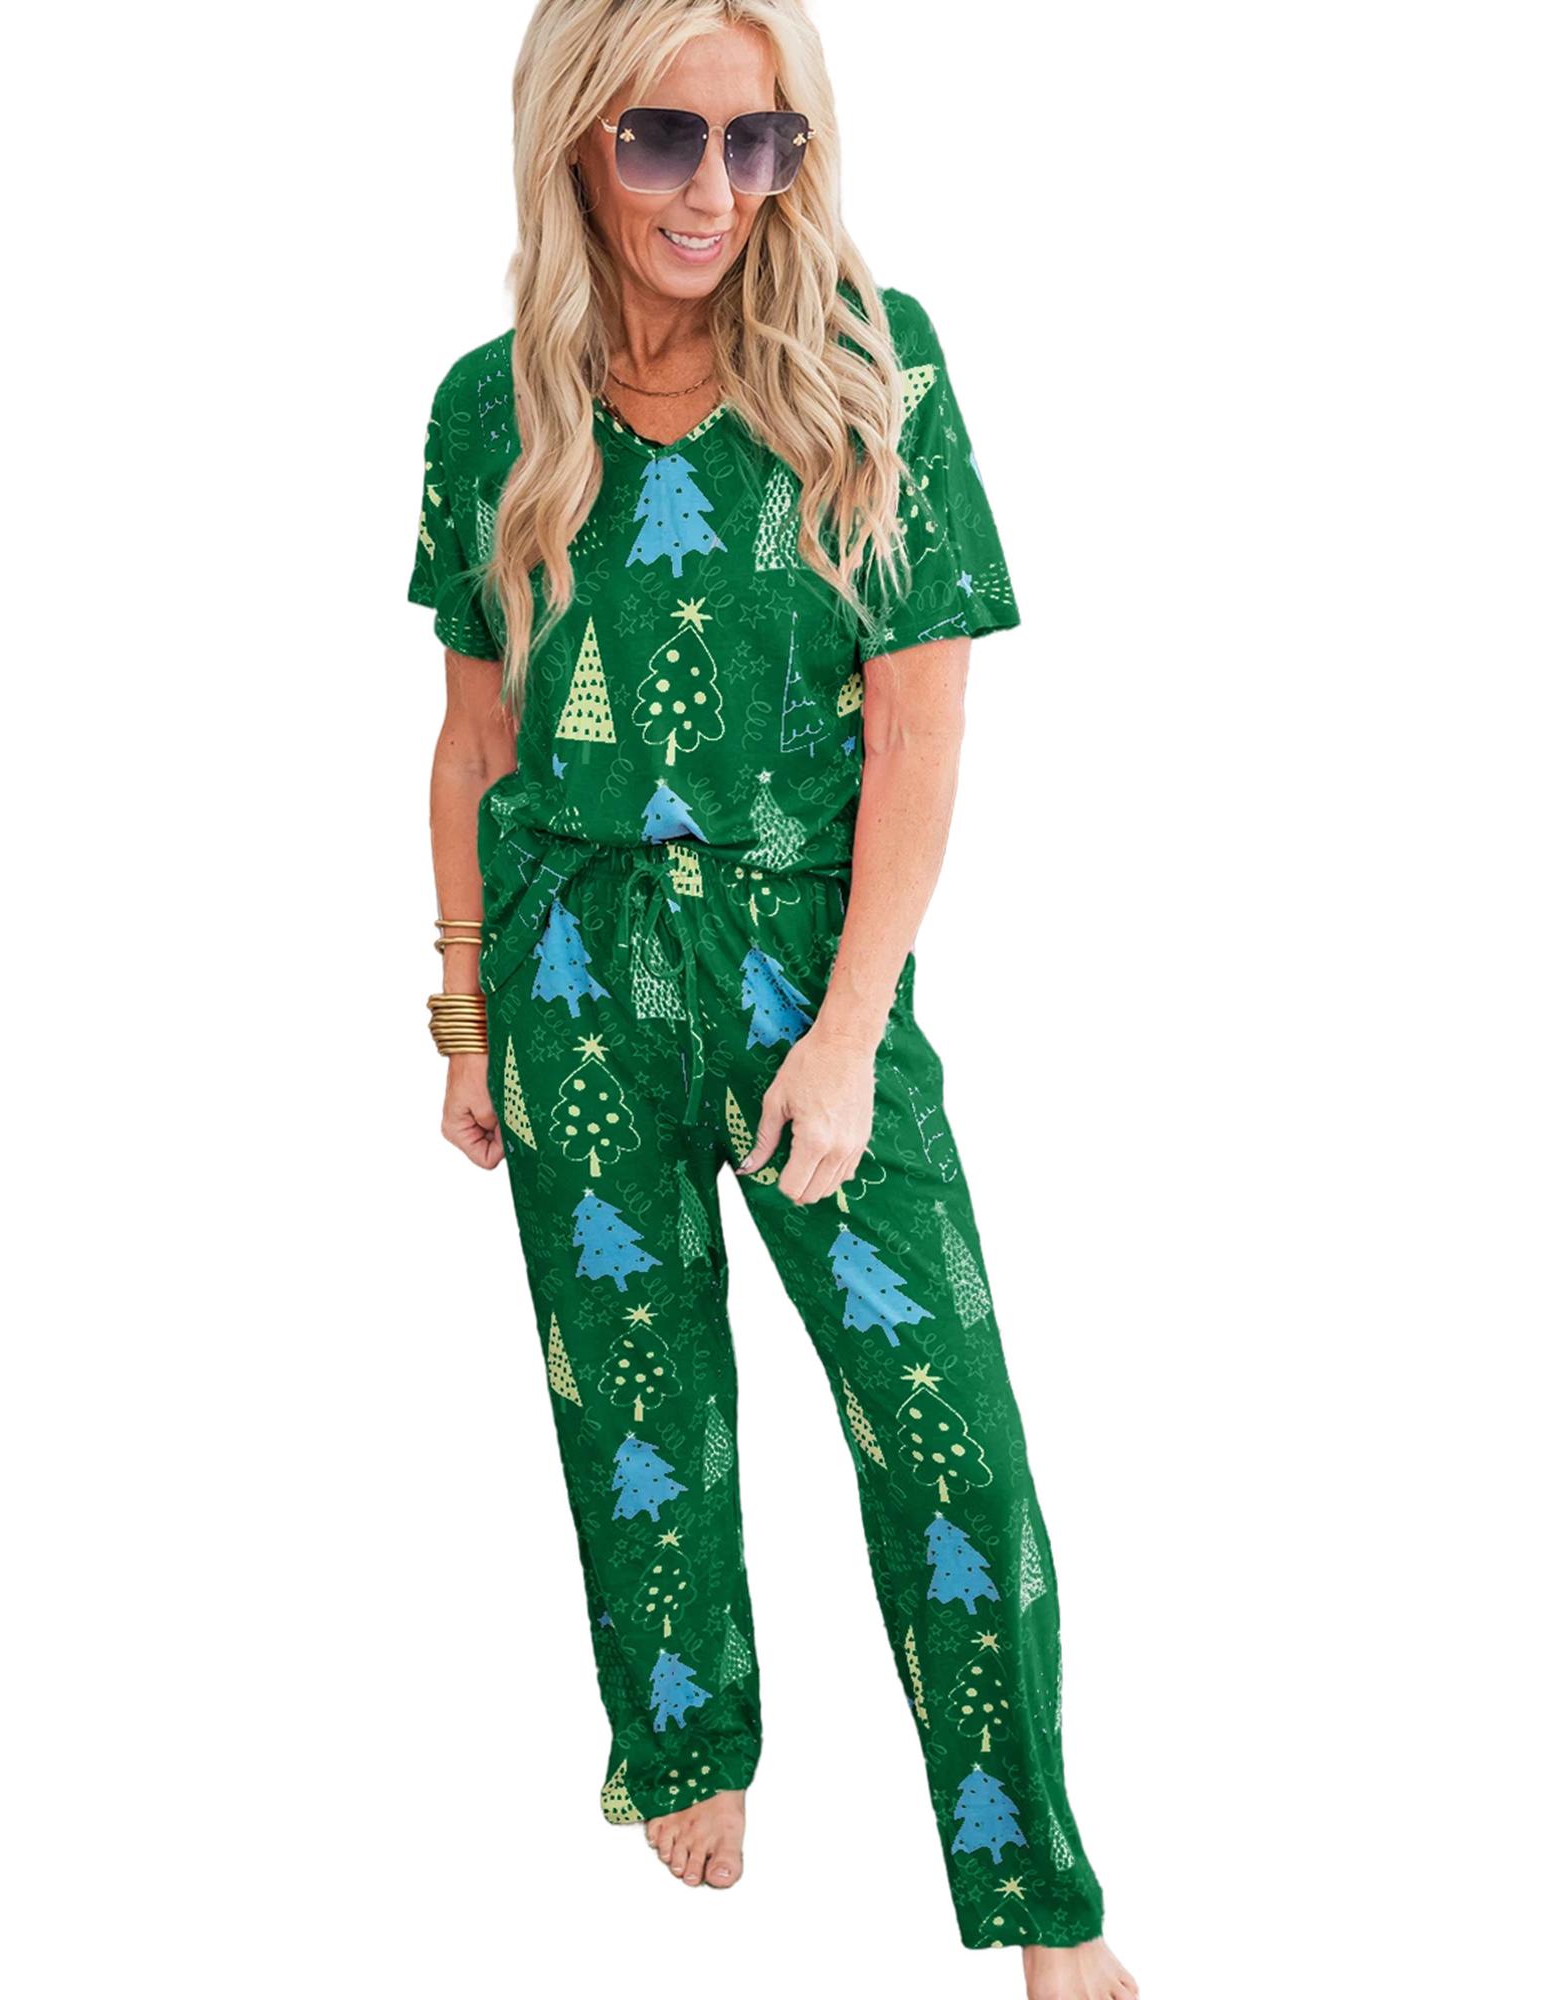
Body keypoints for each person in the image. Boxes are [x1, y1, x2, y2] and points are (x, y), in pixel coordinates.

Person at [407, 4, 1136, 1993]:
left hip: (804, 977)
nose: (713, 190)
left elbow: (921, 726)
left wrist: (845, 1032)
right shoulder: (490, 407)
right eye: (664, 139)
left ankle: (1041, 1901)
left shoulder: (873, 367)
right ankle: (683, 1741)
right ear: (578, 142)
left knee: (945, 1431)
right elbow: (474, 738)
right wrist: (464, 1012)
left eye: (760, 142)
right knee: (632, 1401)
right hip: (566, 975)